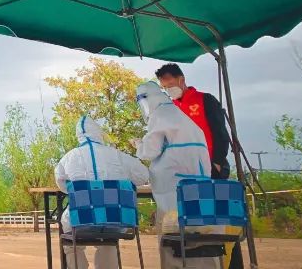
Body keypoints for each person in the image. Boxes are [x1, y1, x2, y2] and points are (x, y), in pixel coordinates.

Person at [155, 63, 243, 268]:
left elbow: (220, 133)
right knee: (191, 224)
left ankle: (230, 264)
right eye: (164, 87)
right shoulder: (171, 110)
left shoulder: (205, 100)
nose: (168, 90)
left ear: (181, 80)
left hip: (211, 170)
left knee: (218, 222)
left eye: (170, 84)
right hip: (184, 177)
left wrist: (219, 163)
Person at [135, 81, 215, 269]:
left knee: (170, 240)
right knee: (200, 240)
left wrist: (139, 145)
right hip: (199, 190)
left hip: (174, 192)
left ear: (146, 100)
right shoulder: (182, 116)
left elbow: (150, 151)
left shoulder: (159, 116)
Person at [54, 116, 149, 269]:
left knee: (70, 237)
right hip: (117, 222)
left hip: (80, 222)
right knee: (108, 239)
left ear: (78, 135)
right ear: (99, 133)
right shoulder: (118, 155)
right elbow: (144, 175)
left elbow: (61, 184)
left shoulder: (69, 158)